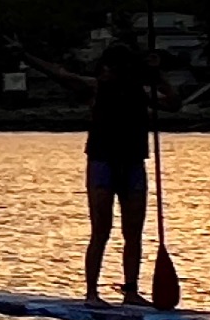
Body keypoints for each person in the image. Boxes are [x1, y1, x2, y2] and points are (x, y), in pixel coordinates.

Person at [15, 35, 180, 303]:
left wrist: (156, 74)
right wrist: (26, 56)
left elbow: (174, 104)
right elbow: (59, 74)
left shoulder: (140, 90)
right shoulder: (95, 88)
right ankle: (92, 293)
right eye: (111, 67)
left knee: (134, 233)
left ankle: (131, 292)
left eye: (118, 67)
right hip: (102, 164)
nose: (111, 72)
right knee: (101, 231)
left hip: (133, 165)